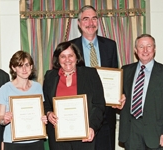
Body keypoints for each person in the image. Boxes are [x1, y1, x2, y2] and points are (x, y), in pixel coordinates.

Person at [69, 5, 119, 150]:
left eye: (94, 18)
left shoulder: (110, 45)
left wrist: (119, 96)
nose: (90, 23)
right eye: (86, 19)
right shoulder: (71, 48)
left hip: (106, 114)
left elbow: (116, 76)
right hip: (81, 114)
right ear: (79, 23)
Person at [43, 41, 106, 150]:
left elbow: (99, 105)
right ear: (58, 59)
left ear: (77, 57)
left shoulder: (90, 74)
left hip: (84, 136)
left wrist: (92, 127)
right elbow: (46, 104)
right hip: (58, 137)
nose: (67, 60)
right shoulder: (50, 76)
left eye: (70, 55)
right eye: (63, 56)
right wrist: (49, 114)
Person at [119, 34, 163, 149]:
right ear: (135, 50)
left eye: (149, 46)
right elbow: (120, 97)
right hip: (131, 130)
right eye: (141, 46)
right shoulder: (125, 71)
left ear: (154, 48)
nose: (145, 50)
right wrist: (118, 100)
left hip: (156, 132)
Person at [0, 50, 47, 150]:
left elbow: (41, 111)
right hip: (13, 142)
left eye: (27, 65)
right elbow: (0, 117)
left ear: (31, 67)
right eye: (20, 66)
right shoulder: (5, 89)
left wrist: (43, 119)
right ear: (13, 68)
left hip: (36, 140)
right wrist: (4, 119)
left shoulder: (38, 87)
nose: (24, 69)